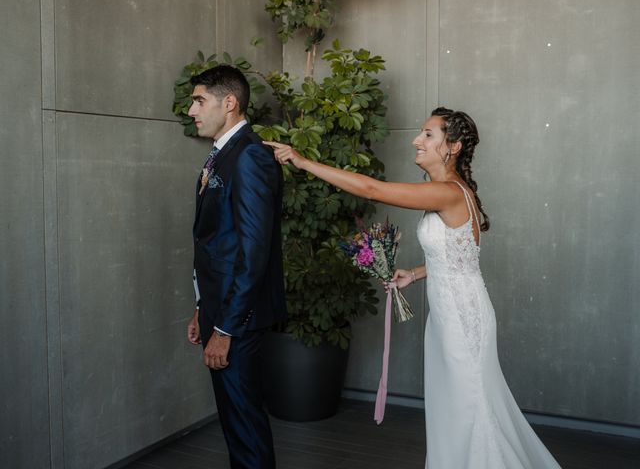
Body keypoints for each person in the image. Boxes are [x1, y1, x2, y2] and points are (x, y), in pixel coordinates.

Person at [266, 107, 561, 468]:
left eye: (427, 135)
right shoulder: (445, 192)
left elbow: (372, 189)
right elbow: (460, 256)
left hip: (462, 319)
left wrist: (302, 161)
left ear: (451, 146)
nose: (415, 140)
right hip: (447, 315)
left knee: (469, 406)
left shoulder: (448, 192)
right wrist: (417, 273)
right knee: (456, 407)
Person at [186, 65, 287, 469]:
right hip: (220, 308)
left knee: (244, 424)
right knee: (235, 420)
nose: (191, 110)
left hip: (237, 317)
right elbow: (215, 241)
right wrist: (201, 307)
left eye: (199, 101)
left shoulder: (250, 157)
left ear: (229, 103)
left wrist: (225, 328)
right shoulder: (223, 153)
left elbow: (252, 251)